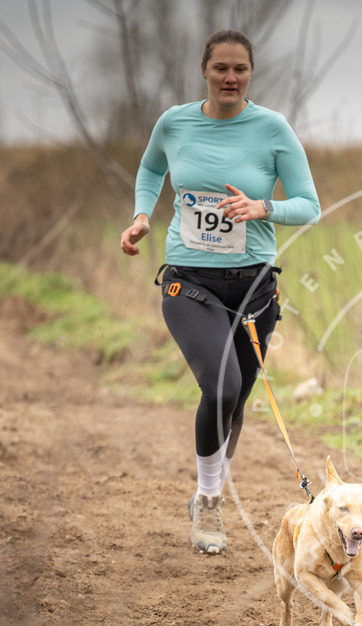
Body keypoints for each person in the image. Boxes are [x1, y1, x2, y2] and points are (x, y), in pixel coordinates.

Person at [120, 29, 320, 554]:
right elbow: (150, 167)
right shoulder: (175, 121)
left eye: (240, 70)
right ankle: (210, 504)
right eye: (220, 69)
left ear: (250, 74)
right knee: (223, 387)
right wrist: (142, 215)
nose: (230, 78)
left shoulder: (272, 129)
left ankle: (206, 493)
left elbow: (309, 204)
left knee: (235, 403)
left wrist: (265, 208)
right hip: (189, 280)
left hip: (253, 285)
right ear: (204, 71)